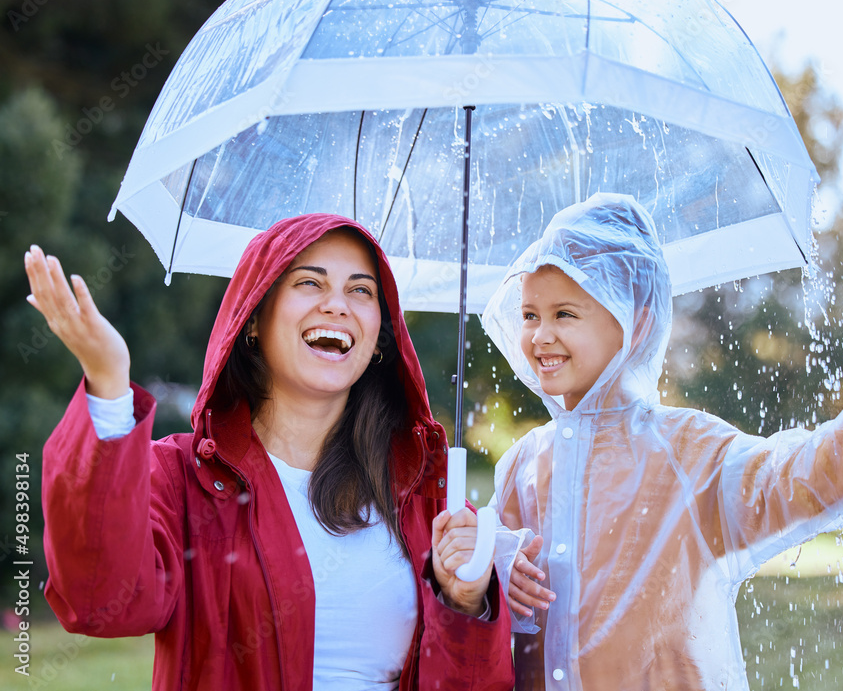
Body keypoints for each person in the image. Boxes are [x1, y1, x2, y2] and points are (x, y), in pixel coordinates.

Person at [479, 193, 843, 690]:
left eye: (564, 313)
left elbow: (788, 477)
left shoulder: (686, 450)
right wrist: (497, 557)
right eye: (529, 315)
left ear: (637, 320)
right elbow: (474, 572)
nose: (540, 335)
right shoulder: (524, 464)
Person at [26, 213, 515, 690]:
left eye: (361, 290)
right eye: (310, 283)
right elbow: (100, 601)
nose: (338, 306)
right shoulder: (182, 479)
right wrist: (108, 383)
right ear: (254, 318)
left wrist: (466, 602)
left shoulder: (425, 494)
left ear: (379, 340)